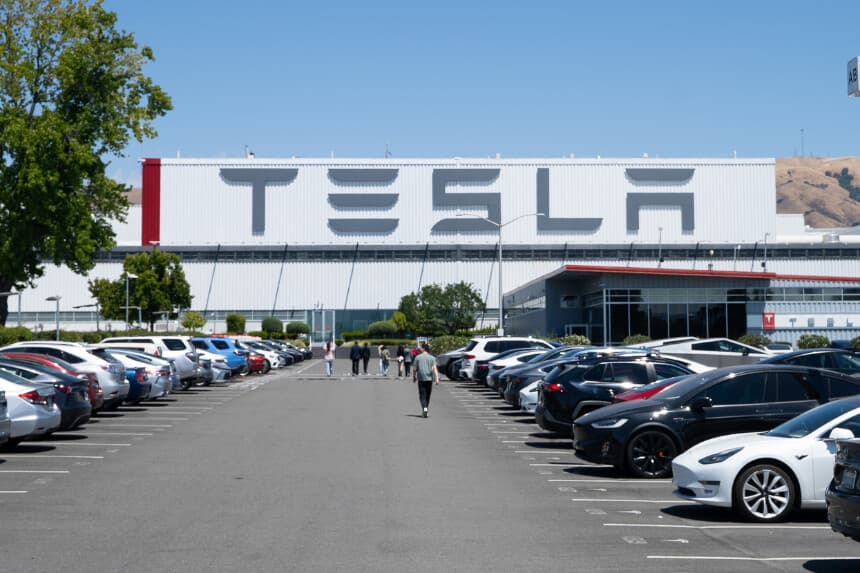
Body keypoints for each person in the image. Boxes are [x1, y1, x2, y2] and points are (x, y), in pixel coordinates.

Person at [412, 343, 439, 418]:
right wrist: (437, 378)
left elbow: (414, 368)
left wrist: (414, 376)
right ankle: (426, 409)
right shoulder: (432, 358)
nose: (420, 349)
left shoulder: (418, 357)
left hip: (421, 379)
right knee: (427, 395)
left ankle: (424, 408)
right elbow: (434, 368)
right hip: (429, 379)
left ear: (424, 348)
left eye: (421, 347)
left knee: (422, 395)